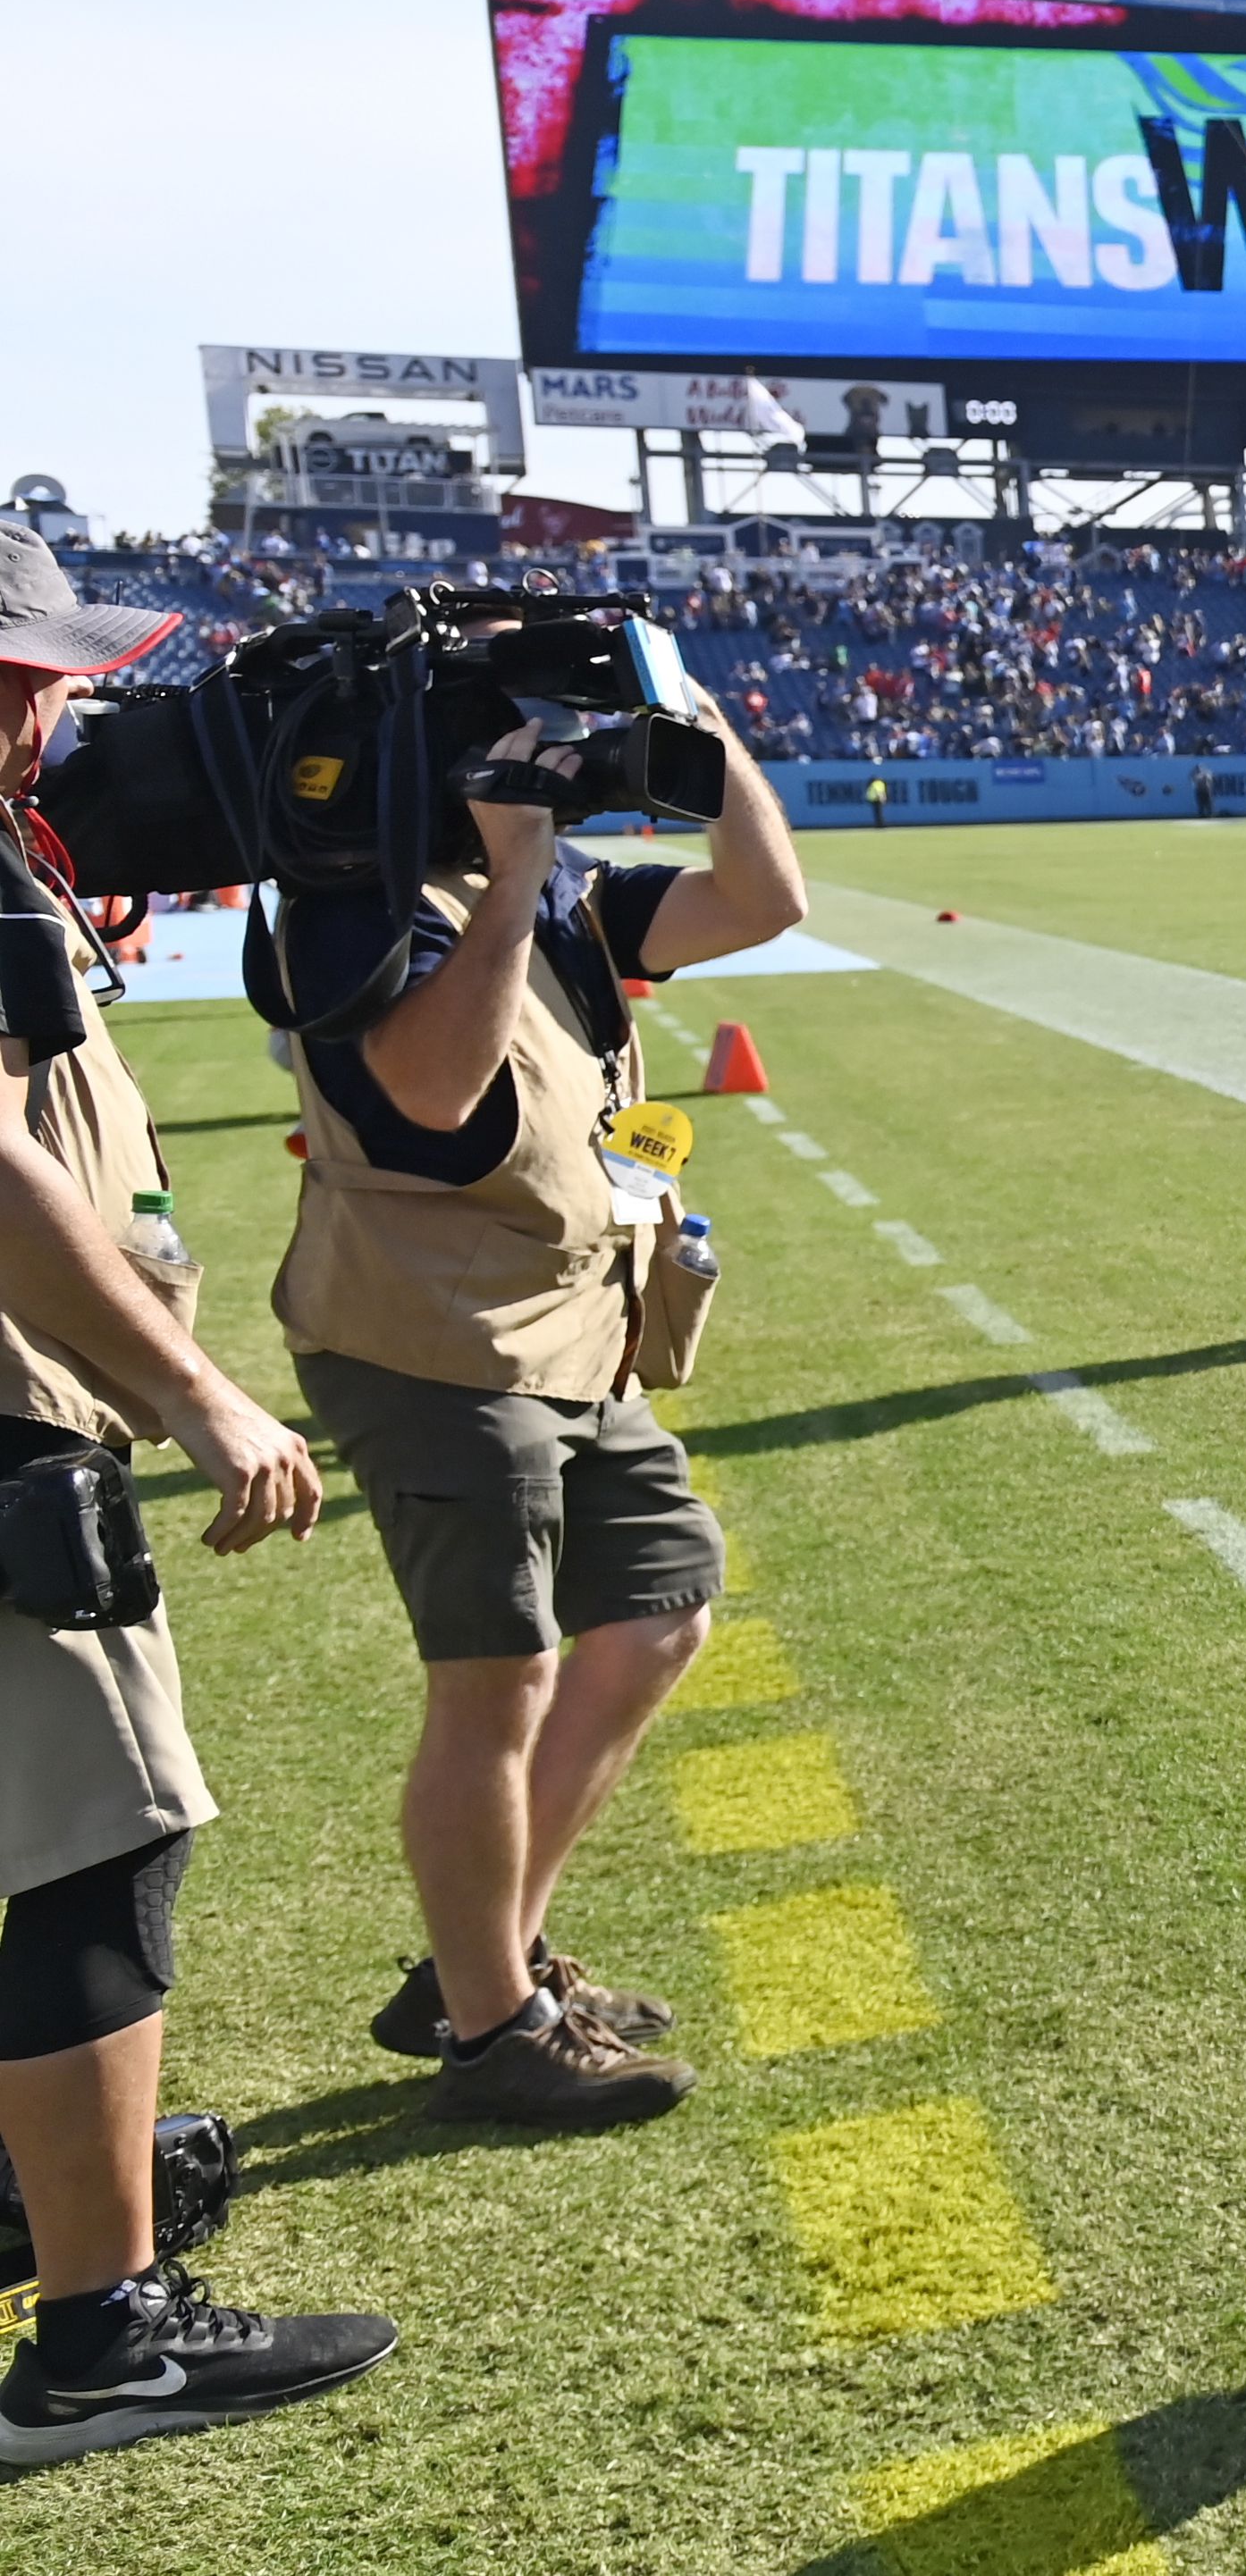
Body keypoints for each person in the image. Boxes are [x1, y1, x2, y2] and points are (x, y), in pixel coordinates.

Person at [275, 659, 805, 2125]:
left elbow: (762, 902)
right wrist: (509, 874)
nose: (563, 760)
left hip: (570, 1324)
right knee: (496, 1676)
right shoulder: (354, 897)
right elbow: (437, 1096)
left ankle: (480, 1957)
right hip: (430, 1335)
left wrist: (701, 723)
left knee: (654, 1613)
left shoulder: (560, 885)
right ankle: (491, 2025)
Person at [0, 537, 399, 2464]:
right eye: (29, 672)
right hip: (15, 1431)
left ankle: (40, 2185)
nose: (56, 706)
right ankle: (105, 2328)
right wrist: (191, 1387)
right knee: (101, 1847)